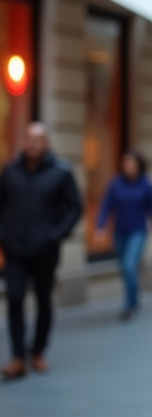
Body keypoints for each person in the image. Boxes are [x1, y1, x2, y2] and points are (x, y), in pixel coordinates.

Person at [0, 122, 83, 380]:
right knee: (14, 298)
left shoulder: (61, 172)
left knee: (43, 300)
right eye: (29, 139)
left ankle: (37, 350)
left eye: (38, 139)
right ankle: (17, 356)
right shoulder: (10, 171)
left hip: (45, 250)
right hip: (14, 249)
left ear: (47, 143)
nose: (33, 144)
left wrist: (55, 235)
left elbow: (75, 207)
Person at [94, 149, 152, 320]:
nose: (128, 167)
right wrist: (100, 226)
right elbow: (106, 206)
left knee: (129, 266)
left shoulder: (147, 185)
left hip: (138, 232)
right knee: (125, 269)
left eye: (132, 164)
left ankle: (129, 305)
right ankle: (134, 297)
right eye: (125, 164)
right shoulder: (115, 184)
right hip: (119, 232)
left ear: (139, 166)